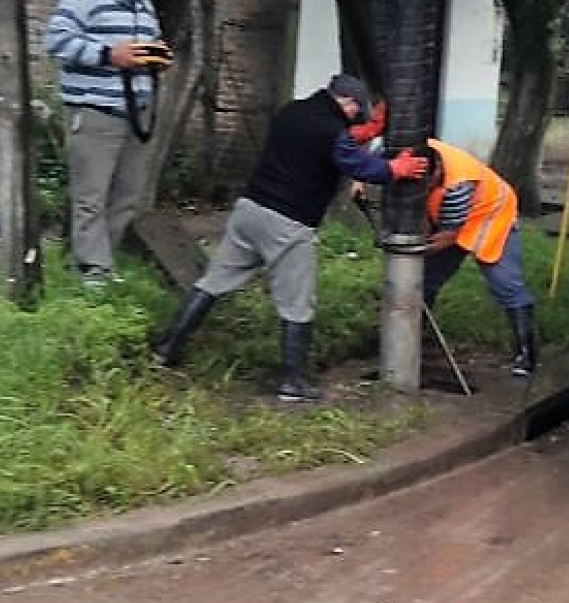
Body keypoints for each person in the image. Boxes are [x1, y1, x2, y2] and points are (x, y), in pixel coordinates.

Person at [153, 75, 427, 401]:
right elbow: (357, 165)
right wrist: (398, 169)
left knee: (213, 282)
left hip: (249, 211)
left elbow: (331, 144)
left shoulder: (293, 111)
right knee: (298, 303)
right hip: (287, 223)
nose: (358, 117)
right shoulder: (330, 132)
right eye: (358, 111)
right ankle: (293, 381)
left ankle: (166, 350)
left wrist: (361, 135)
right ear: (348, 103)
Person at [44, 0, 174, 288]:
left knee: (126, 197)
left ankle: (102, 264)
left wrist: (156, 58)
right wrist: (108, 54)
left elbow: (144, 49)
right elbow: (56, 41)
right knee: (91, 197)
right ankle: (92, 274)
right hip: (96, 110)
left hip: (136, 113)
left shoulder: (143, 3)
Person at [420, 138, 537, 376]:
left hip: (490, 213)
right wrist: (360, 180)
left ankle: (527, 354)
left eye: (427, 183)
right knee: (425, 279)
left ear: (438, 170)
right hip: (449, 217)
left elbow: (448, 236)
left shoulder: (458, 185)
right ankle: (416, 338)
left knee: (505, 282)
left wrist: (419, 248)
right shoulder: (409, 149)